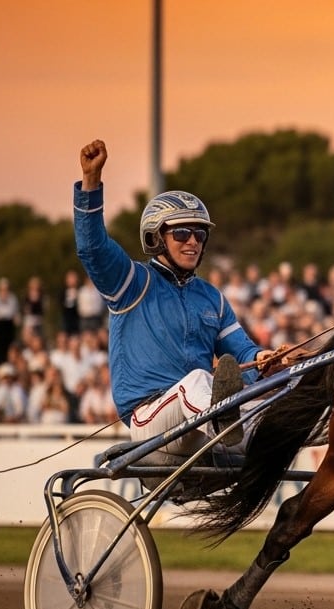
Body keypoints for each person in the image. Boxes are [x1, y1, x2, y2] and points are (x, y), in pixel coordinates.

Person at [74, 139, 272, 458]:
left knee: (272, 406)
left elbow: (243, 356)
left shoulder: (212, 298)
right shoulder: (131, 282)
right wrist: (91, 182)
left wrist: (267, 361)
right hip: (152, 425)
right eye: (181, 233)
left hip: (199, 424)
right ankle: (233, 432)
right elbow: (92, 249)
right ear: (156, 238)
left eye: (200, 234)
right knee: (197, 380)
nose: (193, 241)